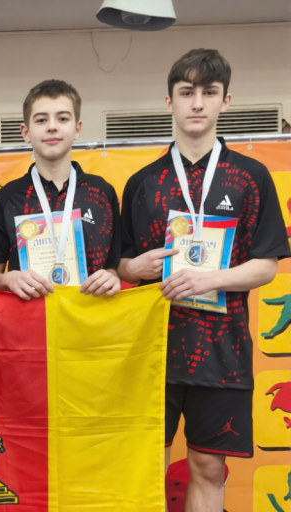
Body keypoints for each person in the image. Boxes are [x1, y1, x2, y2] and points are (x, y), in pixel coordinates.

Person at [117, 48, 290, 512]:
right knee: (144, 466)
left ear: (225, 101)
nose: (197, 103)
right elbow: (121, 266)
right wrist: (134, 269)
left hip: (222, 351)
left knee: (210, 468)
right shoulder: (142, 183)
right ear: (169, 102)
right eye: (186, 92)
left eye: (209, 93)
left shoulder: (251, 177)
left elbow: (266, 265)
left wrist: (208, 279)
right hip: (151, 351)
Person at [0, 79, 122, 298]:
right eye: (41, 120)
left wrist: (112, 277)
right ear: (26, 132)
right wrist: (7, 278)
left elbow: (113, 267)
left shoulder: (102, 193)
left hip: (90, 314)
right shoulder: (6, 199)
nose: (52, 126)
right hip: (32, 315)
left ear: (77, 129)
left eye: (62, 118)